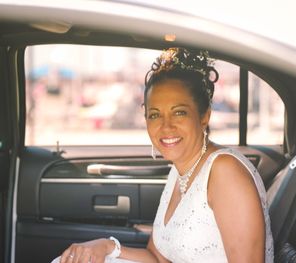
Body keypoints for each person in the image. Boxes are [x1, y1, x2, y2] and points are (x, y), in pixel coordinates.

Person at [52, 48, 273, 263]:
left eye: (179, 112)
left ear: (204, 116)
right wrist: (106, 246)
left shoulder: (225, 171)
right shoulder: (179, 171)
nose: (166, 126)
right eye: (155, 115)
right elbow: (158, 258)